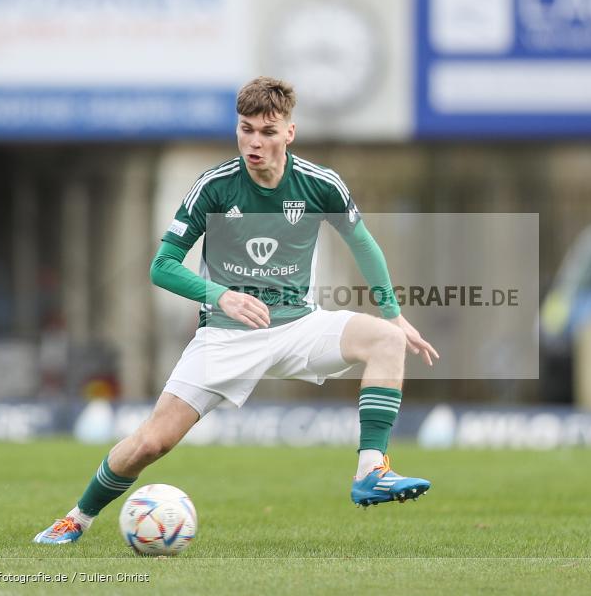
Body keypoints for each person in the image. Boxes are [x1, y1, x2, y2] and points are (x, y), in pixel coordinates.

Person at [34, 77, 439, 544]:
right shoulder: (215, 187)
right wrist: (219, 295)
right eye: (246, 129)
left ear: (290, 132)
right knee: (151, 442)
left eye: (267, 131)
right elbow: (161, 267)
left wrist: (391, 312)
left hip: (298, 325)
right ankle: (77, 518)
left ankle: (371, 471)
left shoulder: (320, 184)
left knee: (387, 340)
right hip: (225, 335)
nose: (254, 142)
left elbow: (362, 244)